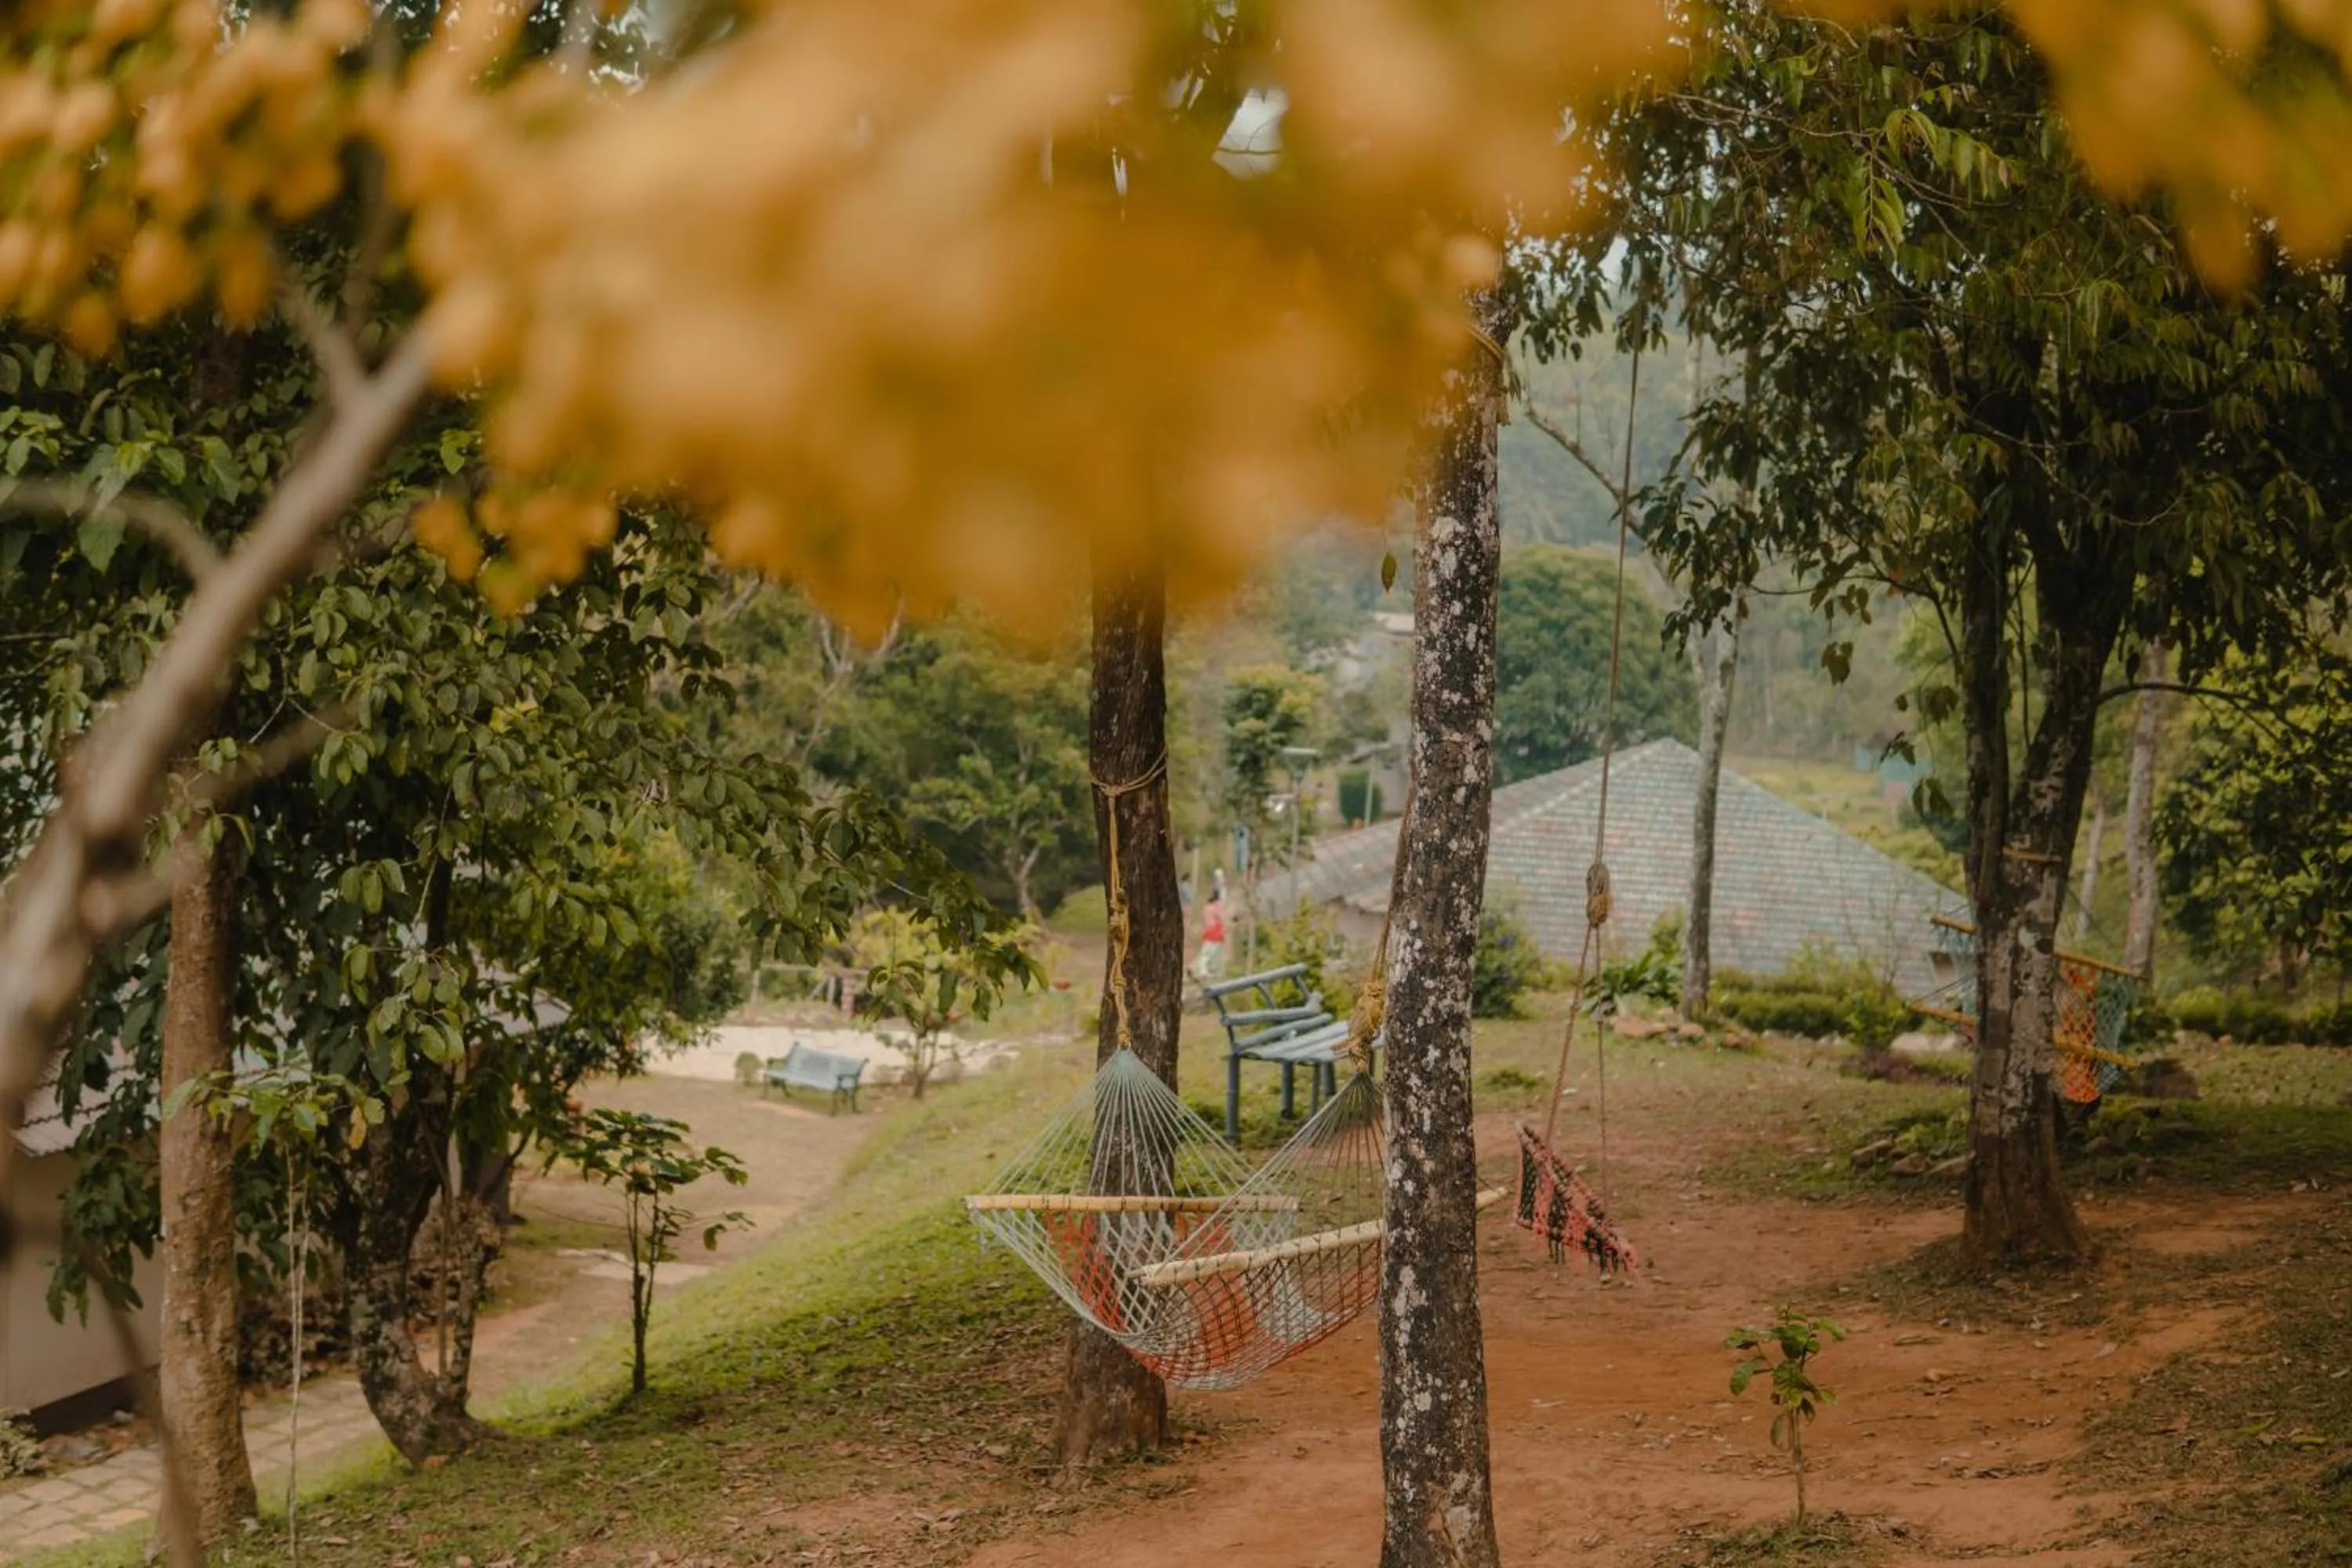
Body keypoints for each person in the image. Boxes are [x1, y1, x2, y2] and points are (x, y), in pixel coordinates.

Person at [1196, 892, 1228, 982]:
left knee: (1206, 954)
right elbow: (1223, 917)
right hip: (1217, 933)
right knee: (1215, 955)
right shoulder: (1218, 907)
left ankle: (1204, 971)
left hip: (1209, 933)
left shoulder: (1207, 908)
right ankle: (1211, 972)